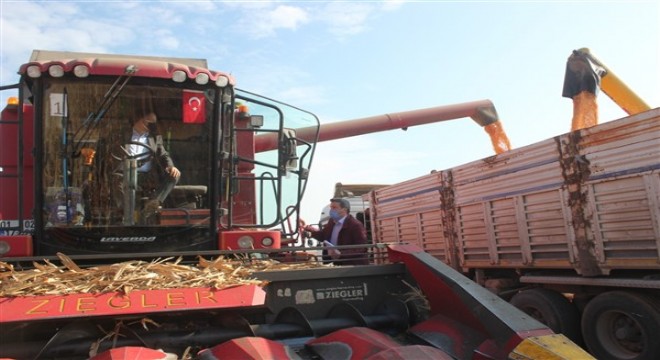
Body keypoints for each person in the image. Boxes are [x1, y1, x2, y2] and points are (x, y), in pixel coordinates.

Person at [124, 112, 180, 213]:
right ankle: (124, 210)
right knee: (116, 180)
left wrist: (170, 166)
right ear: (138, 120)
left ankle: (152, 204)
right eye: (148, 122)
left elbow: (163, 154)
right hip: (125, 174)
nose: (150, 126)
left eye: (153, 123)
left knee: (174, 175)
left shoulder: (154, 138)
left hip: (148, 177)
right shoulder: (122, 134)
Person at [303, 198, 369, 265]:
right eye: (331, 207)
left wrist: (341, 254)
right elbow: (323, 236)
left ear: (344, 210)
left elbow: (362, 248)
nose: (331, 210)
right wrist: (308, 228)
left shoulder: (355, 225)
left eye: (334, 208)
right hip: (333, 262)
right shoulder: (332, 221)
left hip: (350, 265)